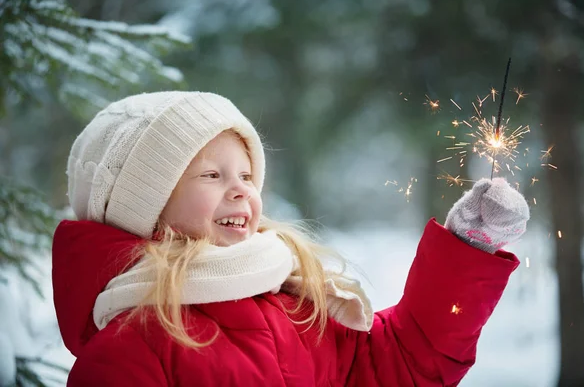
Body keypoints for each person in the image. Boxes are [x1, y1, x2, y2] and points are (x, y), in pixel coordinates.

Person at [52, 91, 529, 387]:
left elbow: (402, 364)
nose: (241, 188)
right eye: (212, 175)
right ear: (146, 207)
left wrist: (469, 247)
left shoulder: (293, 305)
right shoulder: (130, 348)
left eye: (246, 174)